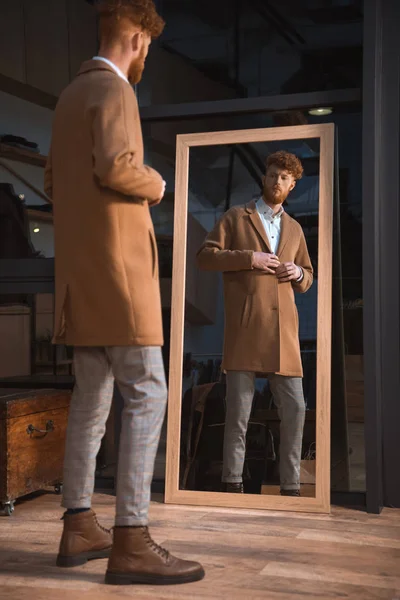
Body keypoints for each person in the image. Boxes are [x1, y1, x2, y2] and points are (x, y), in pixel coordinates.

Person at [44, 0, 204, 586]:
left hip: (79, 281)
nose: (144, 59)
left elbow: (56, 183)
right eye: (147, 48)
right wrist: (157, 183)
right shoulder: (116, 92)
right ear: (136, 38)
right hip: (119, 277)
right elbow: (117, 167)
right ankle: (131, 539)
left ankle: (79, 523)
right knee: (148, 392)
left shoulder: (67, 97)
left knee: (92, 399)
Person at [197, 151, 313, 496]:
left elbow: (308, 276)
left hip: (284, 332)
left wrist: (299, 272)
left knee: (295, 409)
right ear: (264, 177)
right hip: (246, 326)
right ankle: (233, 481)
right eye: (273, 175)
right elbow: (205, 257)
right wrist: (250, 258)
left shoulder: (294, 228)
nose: (277, 181)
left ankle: (291, 485)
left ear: (292, 185)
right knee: (239, 413)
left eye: (284, 178)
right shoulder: (236, 217)